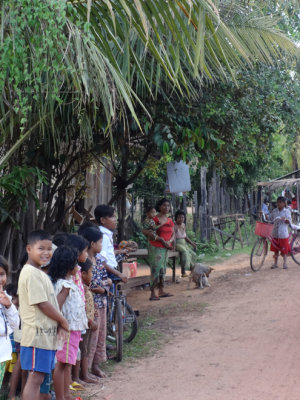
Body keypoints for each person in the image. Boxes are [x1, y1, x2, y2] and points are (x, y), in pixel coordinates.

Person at [18, 230, 69, 400]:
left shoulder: (38, 272)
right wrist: (62, 320)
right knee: (35, 379)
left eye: (49, 249)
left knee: (38, 379)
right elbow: (42, 303)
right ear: (28, 249)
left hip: (43, 336)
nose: (46, 253)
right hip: (36, 336)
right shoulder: (31, 273)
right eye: (41, 248)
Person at [48, 245, 88, 400]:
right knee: (61, 364)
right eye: (75, 264)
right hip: (67, 330)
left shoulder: (69, 282)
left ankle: (66, 394)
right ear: (68, 266)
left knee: (66, 364)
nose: (78, 267)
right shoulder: (64, 285)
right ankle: (60, 397)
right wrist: (62, 324)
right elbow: (56, 307)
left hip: (74, 329)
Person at [81, 227, 111, 378]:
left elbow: (106, 280)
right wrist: (100, 287)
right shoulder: (84, 262)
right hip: (90, 305)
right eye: (100, 242)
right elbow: (86, 284)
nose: (101, 245)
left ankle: (95, 365)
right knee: (89, 339)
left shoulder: (99, 260)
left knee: (100, 336)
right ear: (92, 243)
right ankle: (85, 370)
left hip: (102, 302)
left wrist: (104, 286)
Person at [143, 198, 174, 301]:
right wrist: (162, 240)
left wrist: (169, 241)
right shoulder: (155, 219)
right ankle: (152, 293)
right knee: (155, 269)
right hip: (156, 247)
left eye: (168, 206)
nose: (166, 207)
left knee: (163, 269)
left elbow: (173, 233)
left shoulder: (169, 220)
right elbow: (146, 231)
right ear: (159, 207)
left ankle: (161, 290)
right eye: (164, 205)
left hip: (166, 247)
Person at [93, 204, 128, 283]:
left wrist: (120, 252)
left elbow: (106, 254)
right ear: (103, 220)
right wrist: (119, 274)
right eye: (112, 217)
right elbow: (101, 261)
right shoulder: (103, 237)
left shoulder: (104, 234)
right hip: (107, 273)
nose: (115, 219)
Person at [0, 256, 20, 390]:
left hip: (2, 355)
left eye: (2, 274)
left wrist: (9, 307)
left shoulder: (5, 298)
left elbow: (15, 324)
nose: (0, 279)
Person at [78, 258, 98, 384]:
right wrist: (90, 321)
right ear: (83, 274)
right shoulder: (82, 289)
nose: (92, 275)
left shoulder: (85, 287)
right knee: (83, 349)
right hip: (85, 324)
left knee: (84, 349)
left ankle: (84, 374)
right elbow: (81, 307)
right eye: (91, 272)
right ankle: (83, 375)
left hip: (87, 323)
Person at [269, 196, 291, 270]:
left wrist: (286, 219)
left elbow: (289, 221)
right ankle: (275, 263)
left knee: (284, 250)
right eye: (277, 202)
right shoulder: (274, 211)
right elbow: (270, 218)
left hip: (283, 234)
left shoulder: (287, 211)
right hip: (275, 233)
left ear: (284, 203)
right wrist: (264, 215)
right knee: (275, 250)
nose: (278, 204)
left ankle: (285, 263)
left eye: (280, 202)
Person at [174, 210, 198, 277]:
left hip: (184, 243)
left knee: (192, 253)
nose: (181, 219)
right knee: (185, 252)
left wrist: (191, 243)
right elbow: (173, 238)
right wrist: (172, 247)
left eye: (182, 217)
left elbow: (185, 236)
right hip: (177, 243)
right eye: (179, 217)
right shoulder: (174, 226)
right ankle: (183, 271)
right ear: (176, 218)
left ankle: (192, 269)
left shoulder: (183, 225)